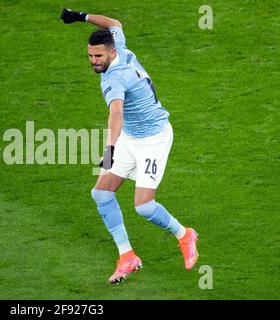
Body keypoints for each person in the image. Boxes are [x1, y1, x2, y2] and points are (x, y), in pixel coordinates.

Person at [61, 8, 199, 284]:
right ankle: (127, 256)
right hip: (131, 136)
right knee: (101, 194)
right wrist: (80, 16)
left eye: (98, 56)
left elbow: (116, 114)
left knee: (144, 207)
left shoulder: (114, 78)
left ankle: (184, 234)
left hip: (153, 138)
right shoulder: (120, 47)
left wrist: (109, 152)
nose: (93, 61)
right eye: (90, 55)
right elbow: (114, 23)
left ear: (111, 54)